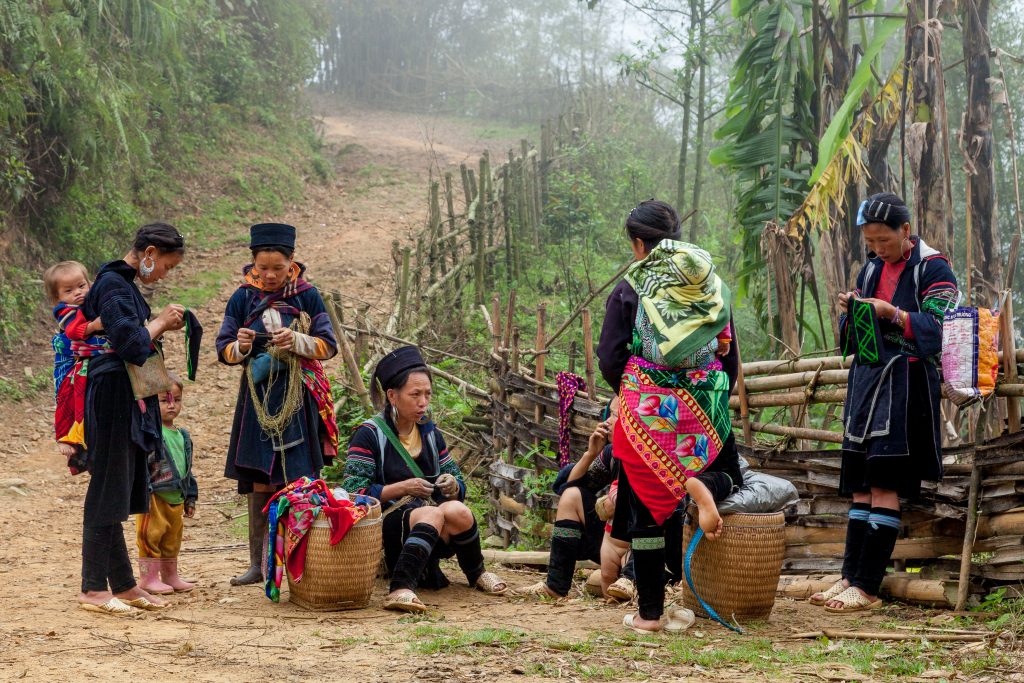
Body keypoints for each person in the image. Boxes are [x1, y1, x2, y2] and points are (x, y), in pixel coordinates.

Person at [597, 199, 743, 633]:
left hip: (649, 409)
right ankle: (704, 485)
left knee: (645, 506)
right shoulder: (708, 282)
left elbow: (609, 357)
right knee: (730, 471)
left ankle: (650, 616)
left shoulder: (631, 287)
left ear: (639, 244)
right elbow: (729, 356)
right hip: (705, 403)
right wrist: (711, 395)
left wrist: (635, 390)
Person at [812, 192, 958, 613]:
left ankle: (868, 587)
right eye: (870, 242)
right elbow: (857, 329)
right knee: (859, 484)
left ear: (906, 231)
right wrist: (851, 309)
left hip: (905, 385)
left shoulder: (935, 268)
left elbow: (940, 327)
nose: (877, 249)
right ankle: (849, 579)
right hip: (867, 382)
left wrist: (892, 314)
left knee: (883, 483)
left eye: (884, 241)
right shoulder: (872, 267)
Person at [216, 223, 339, 587]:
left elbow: (327, 345)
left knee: (300, 480)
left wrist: (297, 340)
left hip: (296, 396)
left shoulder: (307, 296)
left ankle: (307, 561)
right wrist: (240, 344)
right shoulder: (242, 298)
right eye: (262, 267)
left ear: (292, 263)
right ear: (252, 262)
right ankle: (261, 564)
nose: (269, 275)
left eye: (277, 268)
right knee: (259, 480)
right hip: (257, 399)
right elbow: (224, 350)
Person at [341, 345, 507, 613]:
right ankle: (400, 588)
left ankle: (477, 574)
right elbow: (352, 493)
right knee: (432, 514)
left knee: (458, 510)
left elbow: (453, 474)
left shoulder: (429, 433)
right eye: (415, 394)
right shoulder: (369, 434)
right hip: (385, 525)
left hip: (427, 521)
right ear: (392, 396)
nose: (423, 402)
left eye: (427, 394)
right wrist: (403, 487)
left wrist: (452, 485)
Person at [78, 222, 187, 615]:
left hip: (125, 396)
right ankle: (92, 588)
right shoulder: (112, 285)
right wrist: (159, 323)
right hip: (111, 396)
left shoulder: (122, 285)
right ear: (150, 253)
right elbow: (129, 343)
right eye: (166, 267)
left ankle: (123, 585)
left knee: (117, 487)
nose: (163, 274)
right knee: (106, 489)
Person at [511, 403, 636, 601]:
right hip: (610, 542)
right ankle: (555, 585)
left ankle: (632, 580)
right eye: (610, 414)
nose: (607, 422)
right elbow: (568, 487)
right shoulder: (612, 454)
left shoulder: (655, 457)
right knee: (572, 496)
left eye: (614, 415)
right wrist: (591, 454)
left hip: (646, 548)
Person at [135, 373, 199, 595]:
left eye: (177, 400)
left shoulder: (182, 434)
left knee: (172, 538)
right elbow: (141, 463)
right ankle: (148, 578)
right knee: (150, 536)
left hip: (176, 497)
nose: (172, 406)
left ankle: (171, 576)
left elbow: (187, 469)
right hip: (154, 495)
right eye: (164, 401)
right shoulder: (151, 432)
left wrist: (190, 496)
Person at [43, 260, 106, 474]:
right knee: (65, 397)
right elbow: (73, 331)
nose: (77, 293)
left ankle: (81, 439)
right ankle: (64, 437)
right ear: (57, 298)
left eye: (81, 286)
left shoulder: (91, 303)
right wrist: (95, 326)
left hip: (83, 359)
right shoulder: (65, 311)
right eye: (68, 290)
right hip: (67, 362)